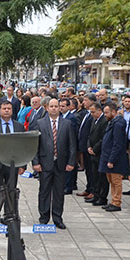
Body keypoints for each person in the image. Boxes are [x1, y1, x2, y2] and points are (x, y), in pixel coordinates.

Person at [31, 98, 77, 229]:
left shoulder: (67, 124)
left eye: (56, 106)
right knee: (44, 191)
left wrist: (71, 162)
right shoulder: (40, 123)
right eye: (51, 106)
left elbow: (72, 145)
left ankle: (57, 218)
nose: (54, 108)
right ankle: (44, 217)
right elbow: (35, 145)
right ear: (47, 108)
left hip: (61, 164)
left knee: (59, 193)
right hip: (45, 163)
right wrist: (35, 162)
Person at [0, 100, 24, 215]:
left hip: (13, 164)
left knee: (11, 191)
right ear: (0, 110)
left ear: (12, 111)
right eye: (4, 108)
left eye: (9, 108)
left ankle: (9, 215)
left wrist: (23, 165)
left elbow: (23, 146)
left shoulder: (19, 126)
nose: (7, 110)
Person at [98, 101, 128, 212]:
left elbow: (117, 144)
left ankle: (116, 202)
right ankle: (113, 201)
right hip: (107, 156)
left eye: (107, 113)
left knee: (116, 181)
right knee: (111, 180)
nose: (105, 115)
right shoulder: (112, 122)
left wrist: (111, 160)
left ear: (114, 112)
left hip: (115, 159)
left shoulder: (118, 124)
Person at [85, 101, 109, 206]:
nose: (92, 114)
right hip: (92, 152)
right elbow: (90, 135)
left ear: (99, 111)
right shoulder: (94, 120)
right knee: (95, 175)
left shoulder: (104, 121)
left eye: (93, 112)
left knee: (101, 177)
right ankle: (96, 194)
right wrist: (89, 146)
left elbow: (103, 138)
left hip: (99, 153)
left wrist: (95, 149)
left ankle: (102, 197)